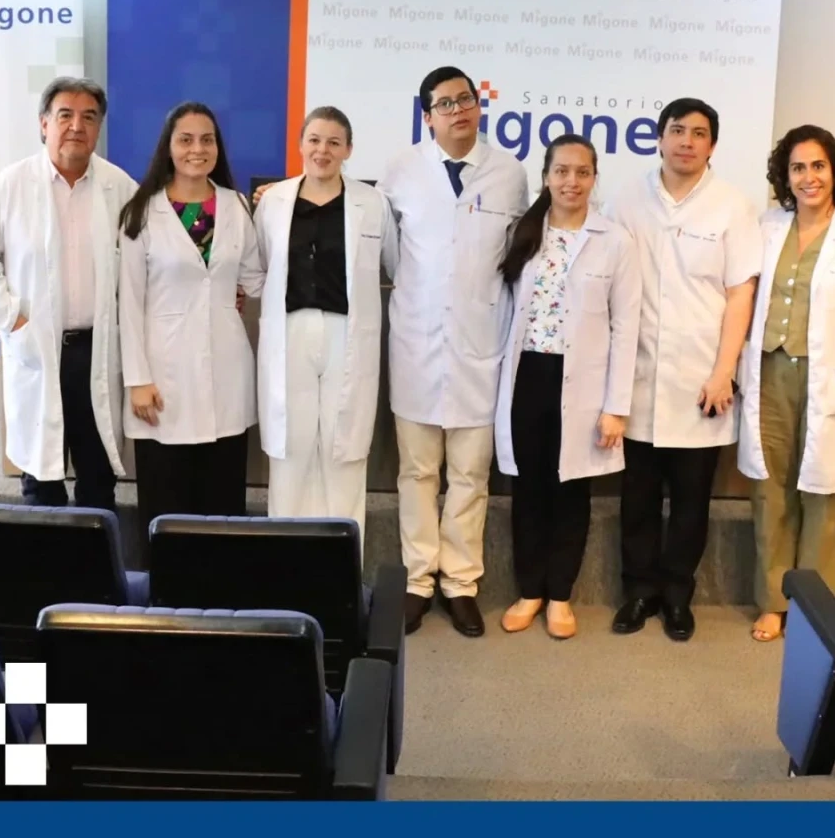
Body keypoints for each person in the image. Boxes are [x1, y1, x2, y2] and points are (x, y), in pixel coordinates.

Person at [601, 97, 762, 642]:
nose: (686, 142)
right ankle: (638, 591)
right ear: (659, 138)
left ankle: (676, 596)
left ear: (712, 145)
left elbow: (740, 294)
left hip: (702, 379)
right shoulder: (627, 199)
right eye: (677, 130)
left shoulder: (732, 206)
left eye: (698, 133)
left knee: (691, 501)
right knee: (638, 497)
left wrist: (724, 371)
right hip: (638, 376)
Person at [380, 65, 530, 637]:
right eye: (445, 103)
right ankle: (418, 580)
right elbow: (390, 254)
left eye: (466, 99)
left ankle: (460, 583)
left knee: (470, 473)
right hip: (417, 342)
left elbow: (515, 256)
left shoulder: (508, 173)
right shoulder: (401, 170)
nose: (459, 110)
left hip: (479, 344)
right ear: (428, 116)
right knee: (417, 471)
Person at [737, 126, 835, 642]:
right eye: (798, 168)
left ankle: (815, 607)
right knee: (771, 489)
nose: (809, 178)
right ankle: (773, 599)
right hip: (769, 371)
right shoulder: (766, 227)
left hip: (833, 376)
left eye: (818, 166)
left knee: (822, 493)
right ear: (785, 176)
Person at [0, 77, 137, 510]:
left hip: (96, 350)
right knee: (41, 478)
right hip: (38, 347)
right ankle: (44, 556)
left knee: (97, 476)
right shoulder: (12, 184)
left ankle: (97, 556)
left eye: (88, 117)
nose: (77, 126)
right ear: (44, 124)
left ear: (99, 128)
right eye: (65, 115)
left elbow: (144, 263)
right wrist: (13, 320)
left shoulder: (120, 187)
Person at [494, 135, 641, 639]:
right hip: (527, 377)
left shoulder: (615, 241)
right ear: (546, 177)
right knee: (528, 489)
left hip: (582, 384)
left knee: (571, 491)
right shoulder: (523, 232)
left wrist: (616, 406)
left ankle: (560, 595)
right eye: (561, 171)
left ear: (594, 178)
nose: (571, 182)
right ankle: (529, 591)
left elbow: (626, 328)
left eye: (582, 172)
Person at [254, 106, 397, 550]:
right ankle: (285, 559)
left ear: (349, 150)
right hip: (290, 331)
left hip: (347, 334)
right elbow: (261, 264)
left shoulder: (372, 203)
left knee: (344, 450)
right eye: (314, 140)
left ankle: (342, 564)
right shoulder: (274, 201)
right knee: (291, 449)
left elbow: (394, 263)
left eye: (334, 142)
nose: (323, 150)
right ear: (301, 145)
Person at [117, 102, 263, 528]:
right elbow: (130, 303)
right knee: (167, 506)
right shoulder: (141, 211)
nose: (197, 149)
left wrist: (283, 204)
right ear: (168, 146)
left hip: (226, 373)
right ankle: (164, 576)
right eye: (185, 139)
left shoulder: (235, 206)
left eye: (207, 140)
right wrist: (137, 380)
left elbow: (255, 279)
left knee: (223, 506)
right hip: (163, 379)